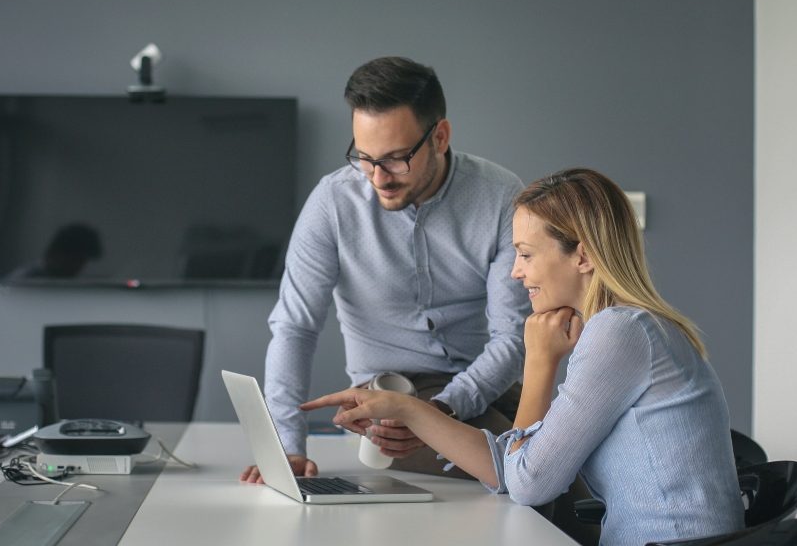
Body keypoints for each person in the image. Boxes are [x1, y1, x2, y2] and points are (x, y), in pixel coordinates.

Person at [303, 168, 745, 546]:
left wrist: (538, 363)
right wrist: (406, 409)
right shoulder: (627, 329)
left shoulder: (619, 333)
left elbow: (529, 483)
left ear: (584, 255)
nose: (516, 271)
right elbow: (512, 465)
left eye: (526, 254)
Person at [242, 56, 531, 482]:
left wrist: (438, 412)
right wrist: (287, 445)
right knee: (525, 472)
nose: (378, 177)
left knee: (564, 465)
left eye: (396, 158)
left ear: (440, 137)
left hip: (487, 385)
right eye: (364, 157)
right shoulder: (333, 203)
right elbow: (294, 327)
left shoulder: (501, 197)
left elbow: (512, 335)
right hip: (390, 393)